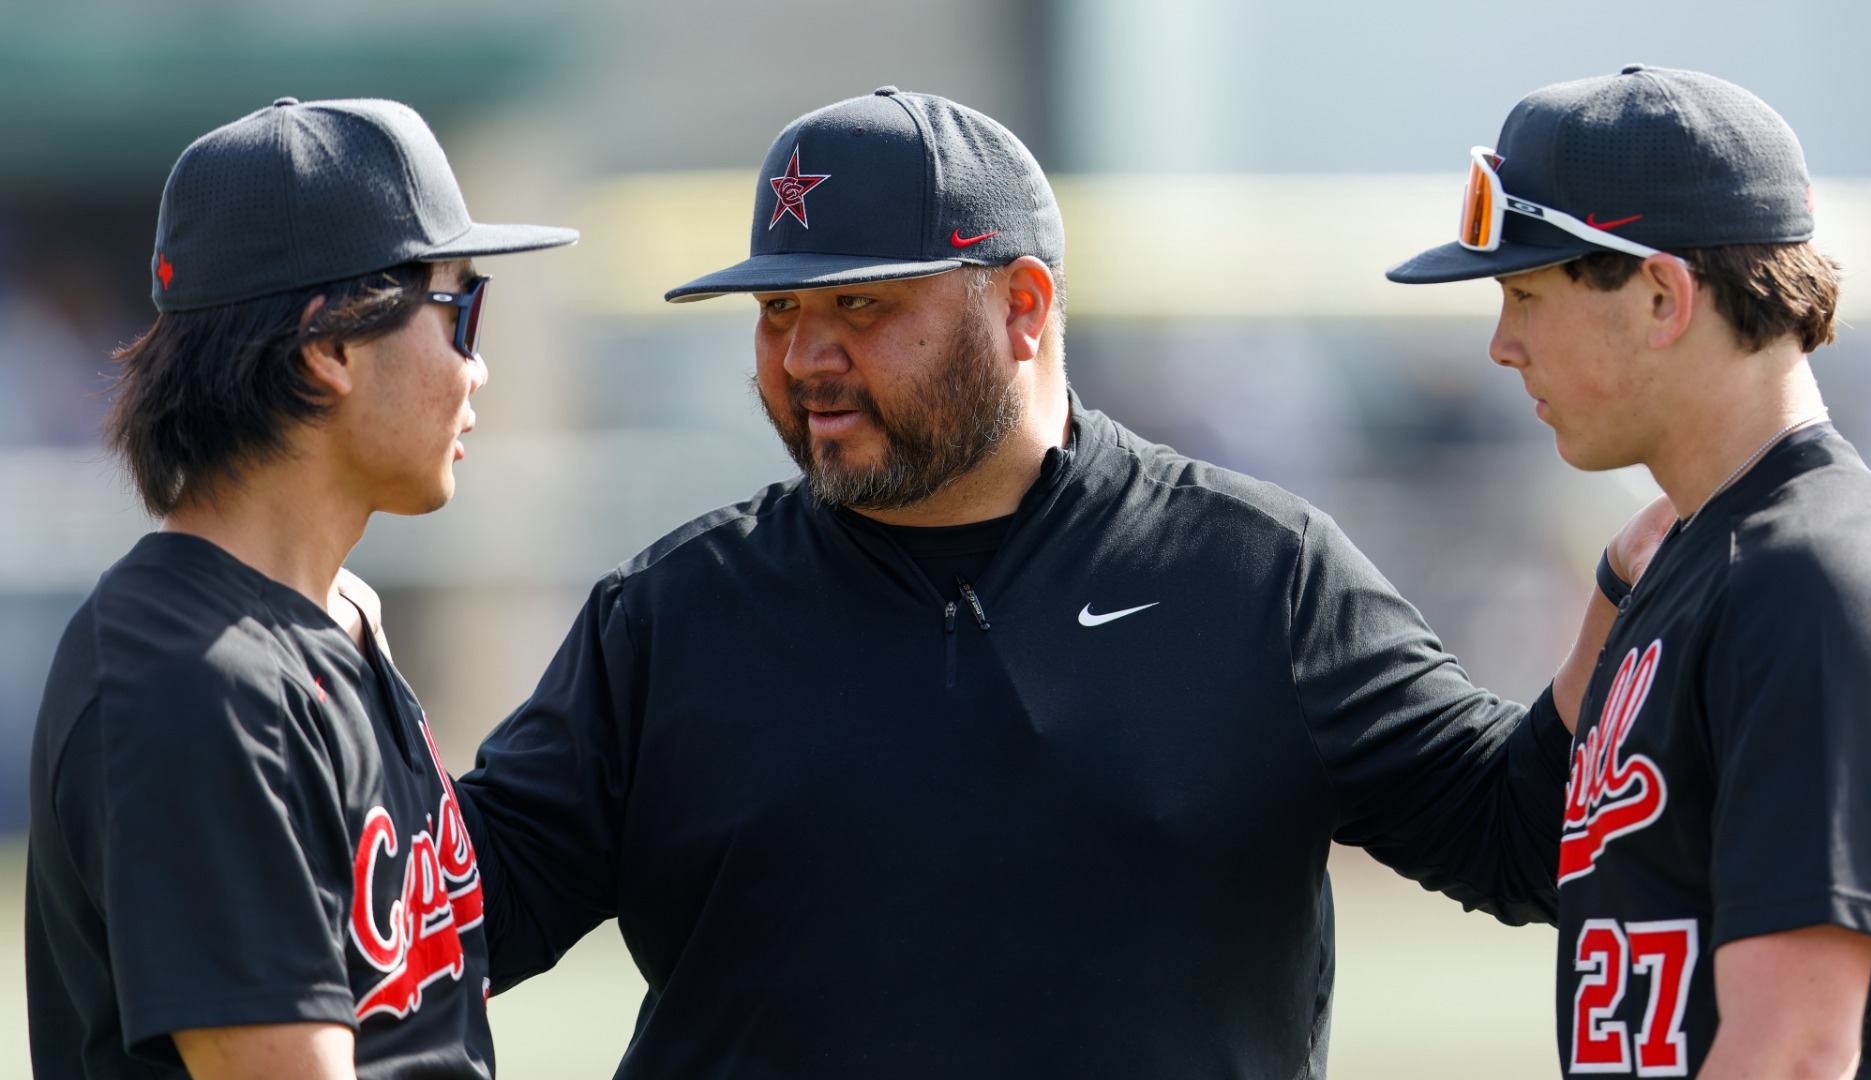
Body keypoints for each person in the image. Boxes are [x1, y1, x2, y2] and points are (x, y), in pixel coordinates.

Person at [456, 86, 1642, 1079]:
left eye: (861, 305)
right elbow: (453, 919)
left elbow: (1523, 837)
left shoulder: (1253, 572)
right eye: (778, 311)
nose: (806, 355)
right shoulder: (674, 611)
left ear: (1022, 307)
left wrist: (1626, 585)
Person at [25, 97, 576, 1079]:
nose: (477, 367)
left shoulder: (338, 616)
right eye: (459, 309)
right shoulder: (189, 679)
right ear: (328, 347)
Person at [1390, 65, 1871, 1078]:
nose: (1502, 345)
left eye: (1527, 292)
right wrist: (1615, 589)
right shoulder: (1691, 562)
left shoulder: (1809, 573)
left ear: (1664, 295)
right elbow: (1528, 846)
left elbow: (1799, 1049)